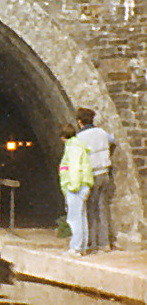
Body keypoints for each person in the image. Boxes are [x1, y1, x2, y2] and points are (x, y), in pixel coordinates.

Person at [76, 107, 116, 252]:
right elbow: (112, 141)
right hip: (105, 174)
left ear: (80, 122)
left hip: (91, 176)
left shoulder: (79, 137)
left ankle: (92, 243)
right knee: (103, 209)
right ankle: (105, 244)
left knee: (91, 211)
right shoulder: (101, 132)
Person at [58, 123, 93, 256]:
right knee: (81, 217)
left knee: (74, 218)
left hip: (76, 187)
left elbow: (74, 168)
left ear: (63, 137)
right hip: (83, 185)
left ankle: (75, 248)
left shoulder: (72, 148)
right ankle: (81, 246)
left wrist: (72, 186)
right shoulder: (78, 145)